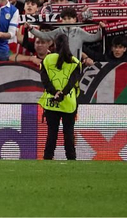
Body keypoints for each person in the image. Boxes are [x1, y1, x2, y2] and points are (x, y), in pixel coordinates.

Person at [38, 32, 80, 160]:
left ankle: (48, 158)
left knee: (52, 133)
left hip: (51, 102)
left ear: (54, 45)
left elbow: (45, 81)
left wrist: (54, 92)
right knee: (68, 133)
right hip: (69, 102)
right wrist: (63, 93)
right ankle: (71, 159)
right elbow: (73, 82)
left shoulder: (47, 59)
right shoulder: (75, 62)